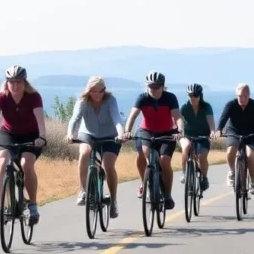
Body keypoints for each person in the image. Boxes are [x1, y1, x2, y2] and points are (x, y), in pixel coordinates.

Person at [0, 65, 47, 225]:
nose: (15, 85)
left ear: (24, 82)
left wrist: (42, 136)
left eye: (18, 82)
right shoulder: (1, 96)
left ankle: (33, 206)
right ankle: (1, 206)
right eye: (11, 82)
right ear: (7, 82)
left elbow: (40, 118)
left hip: (31, 135)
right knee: (3, 162)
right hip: (8, 134)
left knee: (26, 164)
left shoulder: (34, 96)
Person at [66, 76, 125, 217]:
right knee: (85, 153)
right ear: (88, 90)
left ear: (104, 90)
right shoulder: (82, 100)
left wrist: (121, 134)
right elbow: (75, 118)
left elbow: (117, 118)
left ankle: (113, 201)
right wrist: (70, 134)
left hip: (110, 136)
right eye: (93, 91)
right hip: (88, 134)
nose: (97, 94)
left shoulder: (111, 100)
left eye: (100, 91)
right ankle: (82, 191)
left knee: (108, 166)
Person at [122, 71, 182, 208]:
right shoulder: (142, 98)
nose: (153, 90)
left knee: (164, 161)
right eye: (150, 87)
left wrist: (179, 130)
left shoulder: (170, 98)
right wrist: (127, 132)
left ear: (162, 86)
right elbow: (132, 116)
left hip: (167, 132)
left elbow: (177, 117)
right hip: (146, 131)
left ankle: (167, 195)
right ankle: (144, 182)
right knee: (143, 154)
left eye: (156, 87)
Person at [215, 83, 254, 195]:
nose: (243, 99)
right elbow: (223, 118)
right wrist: (219, 129)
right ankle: (232, 171)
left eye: (245, 96)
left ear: (249, 95)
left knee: (250, 156)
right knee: (231, 150)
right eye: (240, 96)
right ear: (236, 95)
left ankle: (253, 182)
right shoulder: (231, 105)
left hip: (252, 133)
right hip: (234, 132)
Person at [178, 83, 215, 194]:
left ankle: (204, 177)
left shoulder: (206, 107)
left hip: (203, 136)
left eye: (195, 95)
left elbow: (211, 121)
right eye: (190, 95)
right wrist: (177, 131)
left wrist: (213, 131)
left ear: (200, 95)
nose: (192, 97)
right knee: (186, 146)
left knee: (201, 156)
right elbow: (178, 120)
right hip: (187, 136)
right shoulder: (184, 107)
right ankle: (184, 172)